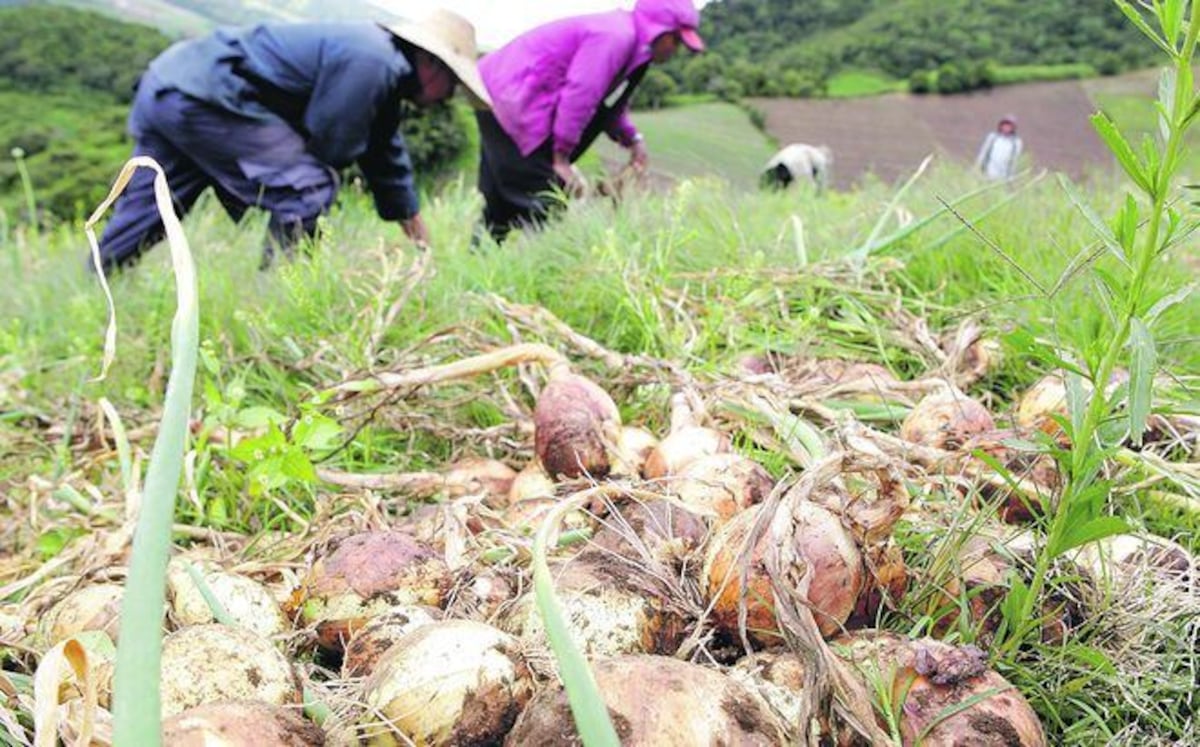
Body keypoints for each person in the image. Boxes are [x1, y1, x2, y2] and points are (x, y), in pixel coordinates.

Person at [92, 10, 490, 273]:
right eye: (452, 83)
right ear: (431, 62)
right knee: (308, 186)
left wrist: (411, 221)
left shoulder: (380, 63)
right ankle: (280, 293)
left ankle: (99, 285)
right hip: (206, 97)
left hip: (171, 85)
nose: (448, 96)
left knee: (154, 204)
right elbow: (331, 145)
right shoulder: (372, 62)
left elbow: (384, 150)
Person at [473, 0, 705, 244]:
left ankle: (478, 262)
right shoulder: (614, 37)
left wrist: (633, 139)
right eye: (676, 40)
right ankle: (535, 271)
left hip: (499, 97)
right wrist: (561, 157)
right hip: (513, 100)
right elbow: (582, 93)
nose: (675, 49)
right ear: (660, 29)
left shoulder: (632, 45)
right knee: (544, 202)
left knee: (504, 201)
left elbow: (610, 102)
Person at [761, 143, 833, 194]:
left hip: (778, 163)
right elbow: (821, 178)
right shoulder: (820, 157)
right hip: (796, 162)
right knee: (806, 188)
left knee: (772, 190)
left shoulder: (805, 148)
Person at [975, 115, 1023, 181]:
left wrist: (1011, 177)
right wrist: (977, 168)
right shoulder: (993, 138)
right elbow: (983, 153)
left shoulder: (1016, 142)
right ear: (1000, 126)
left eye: (1009, 126)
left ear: (1013, 128)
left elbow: (1014, 160)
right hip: (987, 173)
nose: (1006, 127)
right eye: (1005, 125)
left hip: (1003, 176)